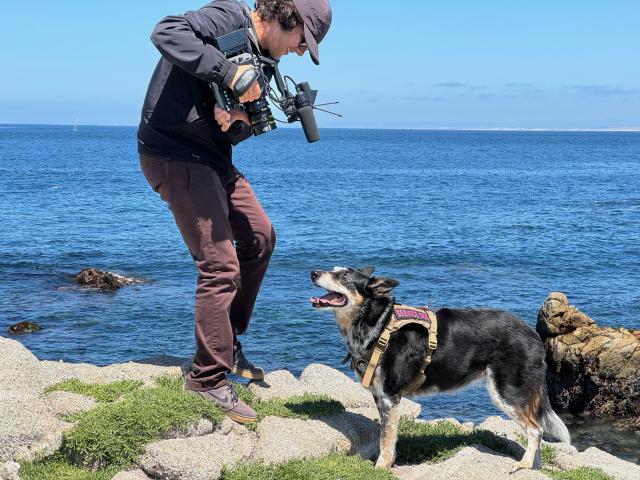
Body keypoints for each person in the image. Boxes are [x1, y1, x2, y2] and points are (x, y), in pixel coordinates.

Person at [138, 0, 332, 424]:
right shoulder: (230, 17)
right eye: (304, 40)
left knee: (261, 237)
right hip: (172, 153)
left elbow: (234, 127)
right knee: (220, 266)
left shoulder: (263, 61)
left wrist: (236, 120)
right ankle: (206, 379)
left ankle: (229, 341)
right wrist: (228, 73)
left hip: (212, 159)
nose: (301, 50)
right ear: (288, 18)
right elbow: (165, 31)